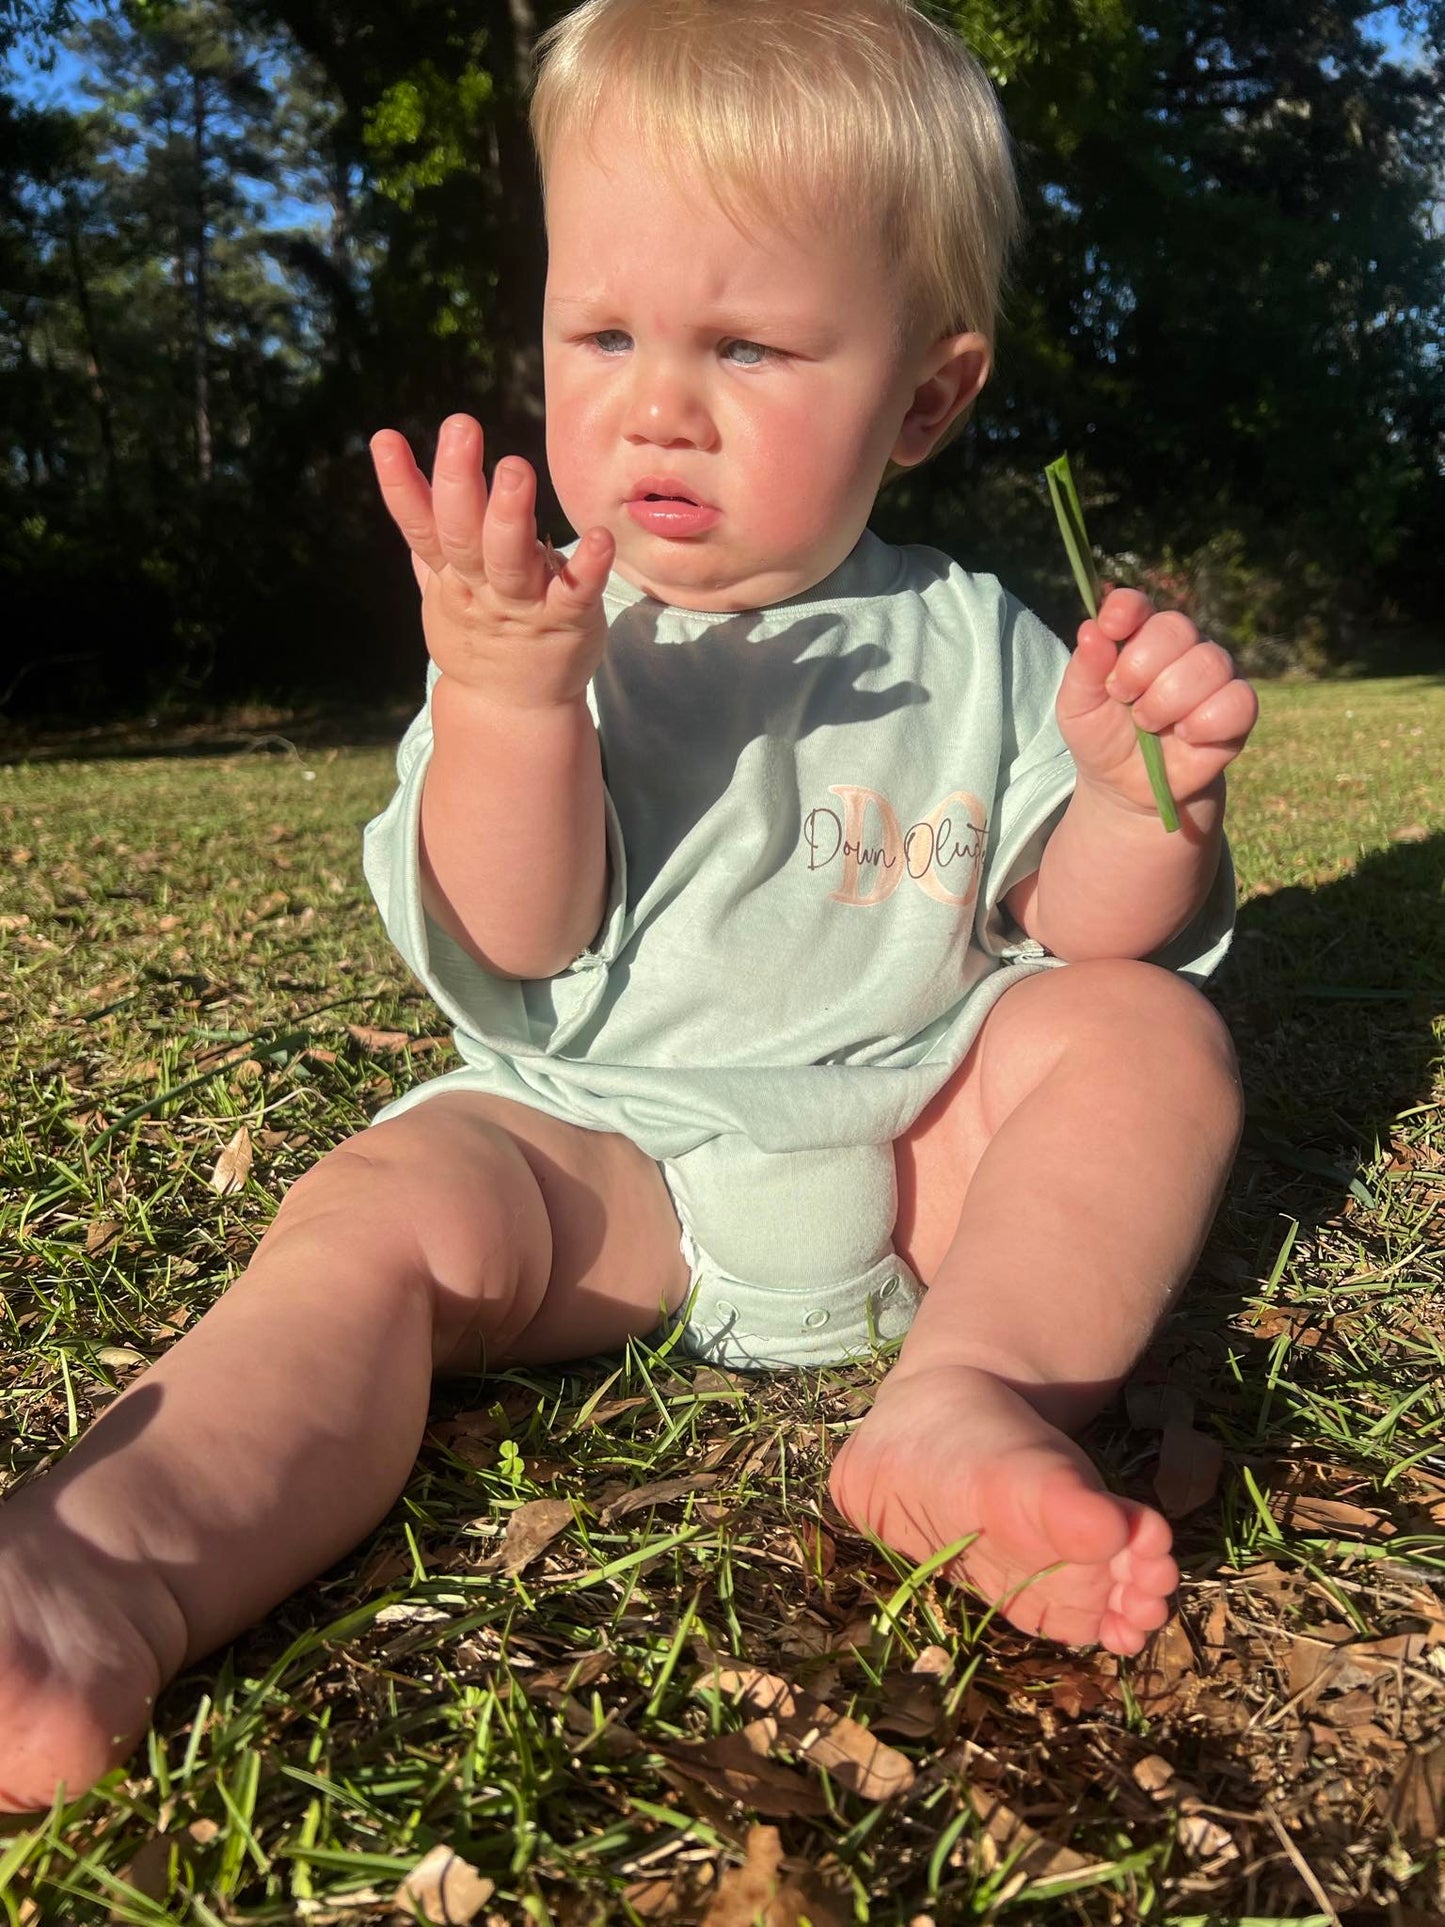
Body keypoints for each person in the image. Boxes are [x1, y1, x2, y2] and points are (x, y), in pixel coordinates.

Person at [0, 0, 1256, 1810]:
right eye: (601, 332)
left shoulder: (978, 641)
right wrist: (510, 699)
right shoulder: (548, 630)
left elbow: (1084, 926)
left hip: (920, 1154)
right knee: (379, 1218)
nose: (654, 400)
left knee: (1142, 1033)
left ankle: (960, 1398)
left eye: (746, 345)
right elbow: (516, 936)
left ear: (922, 395)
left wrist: (1153, 791)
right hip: (595, 1162)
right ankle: (100, 1568)